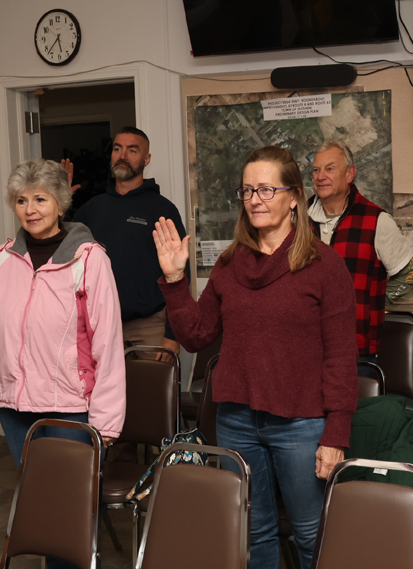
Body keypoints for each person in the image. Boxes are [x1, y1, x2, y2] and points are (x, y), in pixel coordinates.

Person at [153, 146, 358, 569]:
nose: (256, 199)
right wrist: (175, 279)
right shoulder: (229, 265)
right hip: (237, 420)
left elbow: (341, 356)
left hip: (300, 424)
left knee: (310, 534)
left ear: (295, 197)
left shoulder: (324, 266)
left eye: (267, 188)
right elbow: (195, 335)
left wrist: (335, 434)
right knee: (254, 531)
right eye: (247, 190)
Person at [0, 158, 125, 568]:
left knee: (67, 507)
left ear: (60, 202)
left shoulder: (89, 260)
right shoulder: (1, 260)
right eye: (21, 200)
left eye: (40, 198)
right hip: (16, 409)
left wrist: (105, 424)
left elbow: (108, 345)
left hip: (71, 409)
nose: (30, 209)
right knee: (41, 502)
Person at [69, 126, 187, 361]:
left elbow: (183, 274)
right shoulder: (91, 209)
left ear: (147, 159)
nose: (123, 156)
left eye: (132, 150)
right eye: (117, 149)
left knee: (152, 397)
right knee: (101, 398)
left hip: (150, 327)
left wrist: (173, 334)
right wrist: (58, 200)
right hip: (98, 325)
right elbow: (59, 255)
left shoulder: (162, 209)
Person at [308, 140, 413, 362]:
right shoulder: (298, 221)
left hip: (356, 350)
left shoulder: (376, 221)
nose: (321, 176)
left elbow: (411, 274)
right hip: (305, 347)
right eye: (316, 170)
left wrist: (376, 303)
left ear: (350, 174)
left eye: (330, 168)